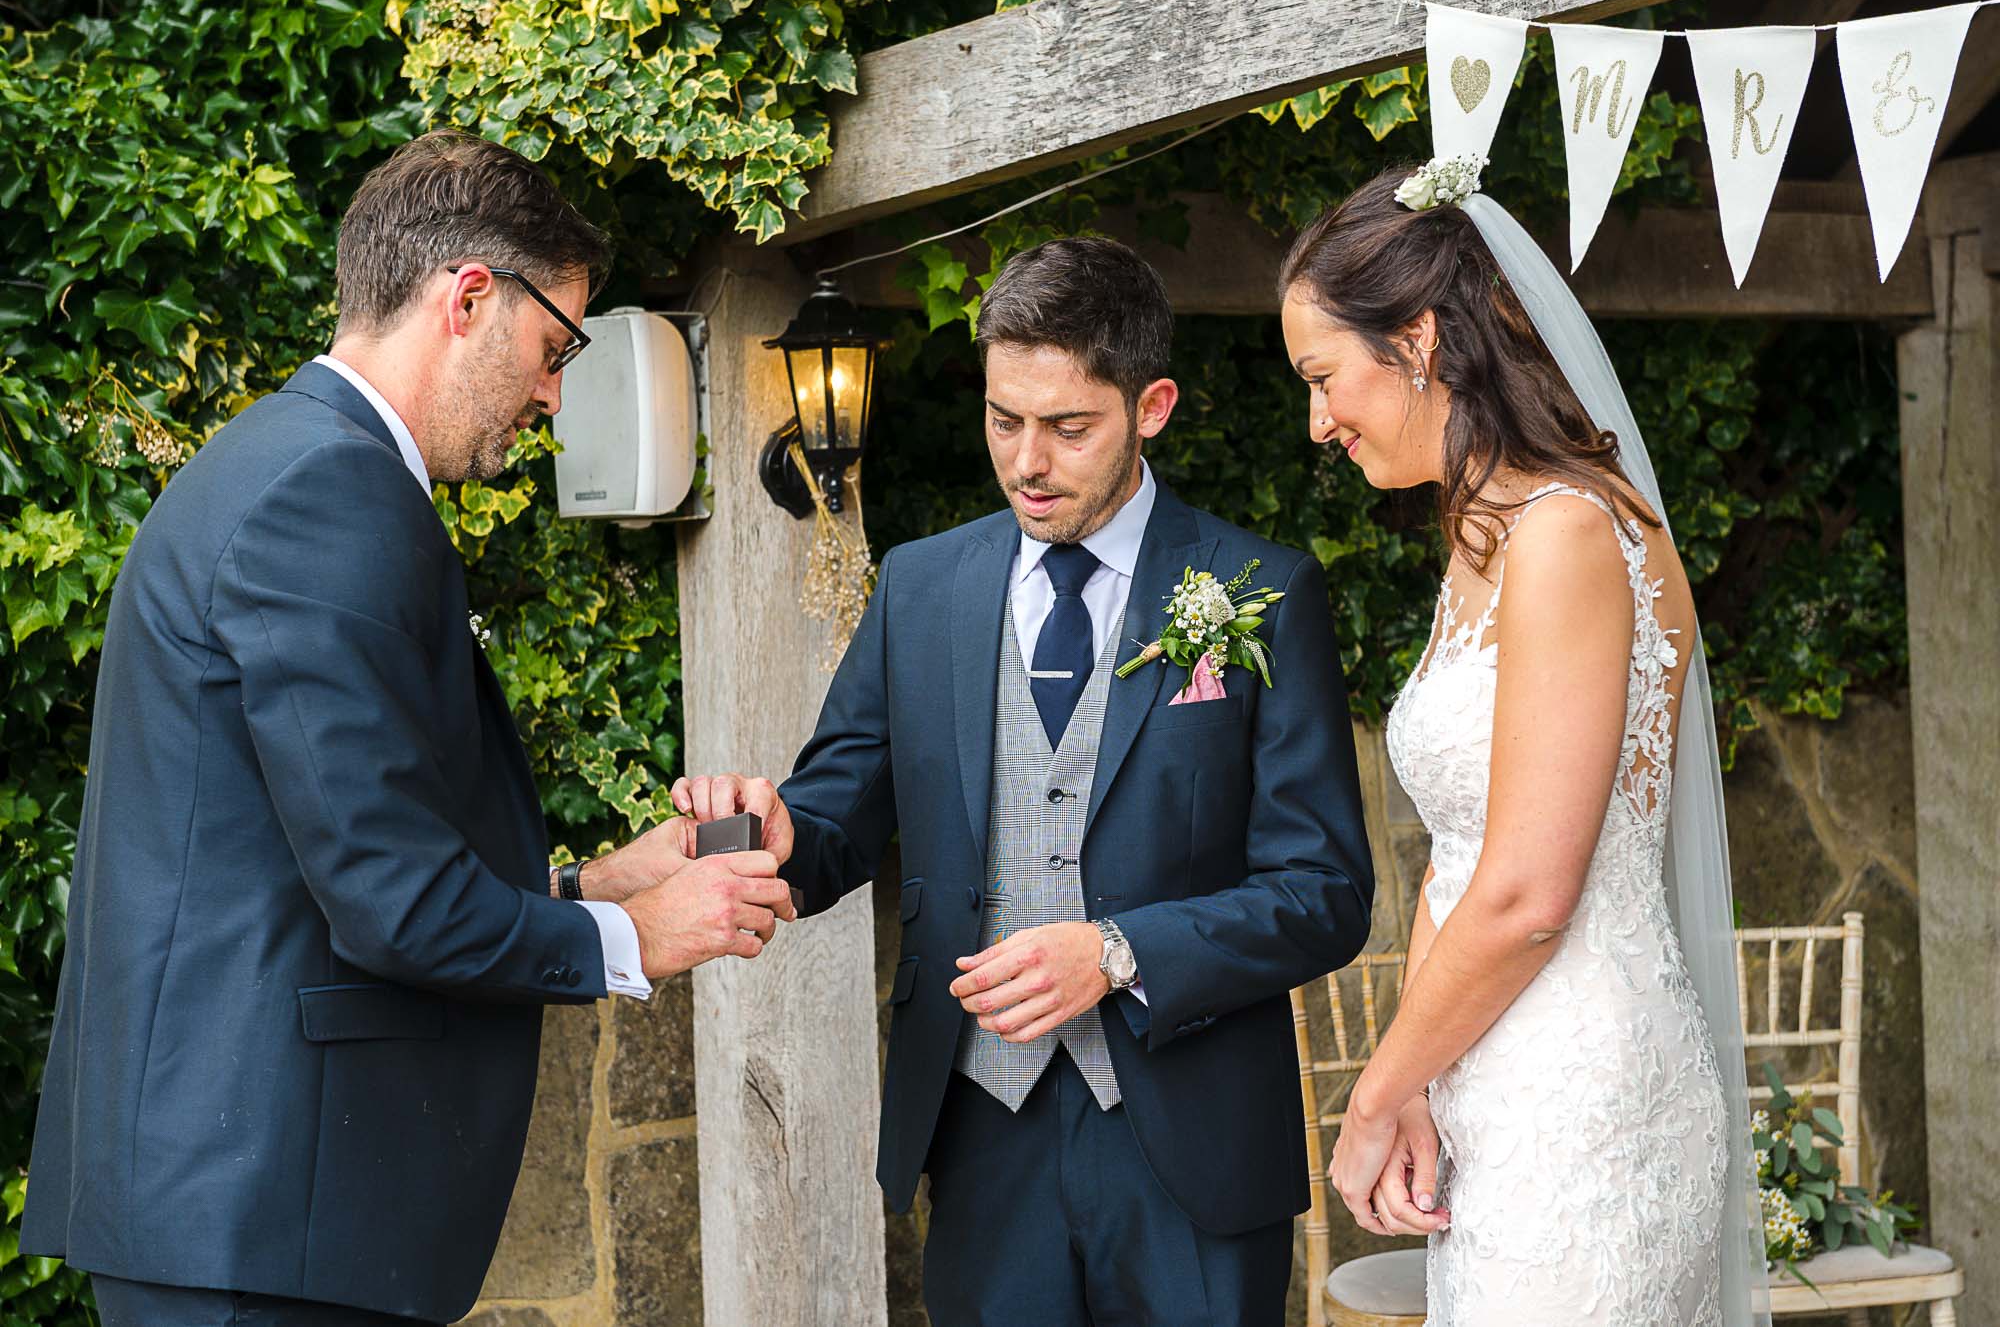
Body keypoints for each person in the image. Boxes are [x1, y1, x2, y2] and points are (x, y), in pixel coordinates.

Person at [23, 128, 794, 1327]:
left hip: (255, 1214)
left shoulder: (284, 467)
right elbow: (389, 897)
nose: (552, 392)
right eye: (553, 349)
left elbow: (314, 854)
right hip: (270, 1220)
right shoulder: (324, 492)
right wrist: (631, 932)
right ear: (467, 295)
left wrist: (585, 877)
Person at [675, 236, 1374, 1326]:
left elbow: (1323, 889)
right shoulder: (919, 586)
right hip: (979, 1129)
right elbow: (834, 820)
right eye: (1004, 420)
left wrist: (1115, 951)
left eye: (1067, 426)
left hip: (1188, 1142)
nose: (1027, 461)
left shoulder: (1257, 593)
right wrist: (774, 830)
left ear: (1152, 406)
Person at [1279, 161, 1764, 1324]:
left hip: (1579, 1110)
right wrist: (1420, 1083)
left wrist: (1372, 1091)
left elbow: (1529, 890)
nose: (1317, 421)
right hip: (1493, 1091)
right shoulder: (1483, 541)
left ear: (1420, 339)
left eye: (1322, 377)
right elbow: (1460, 855)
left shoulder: (1566, 533)